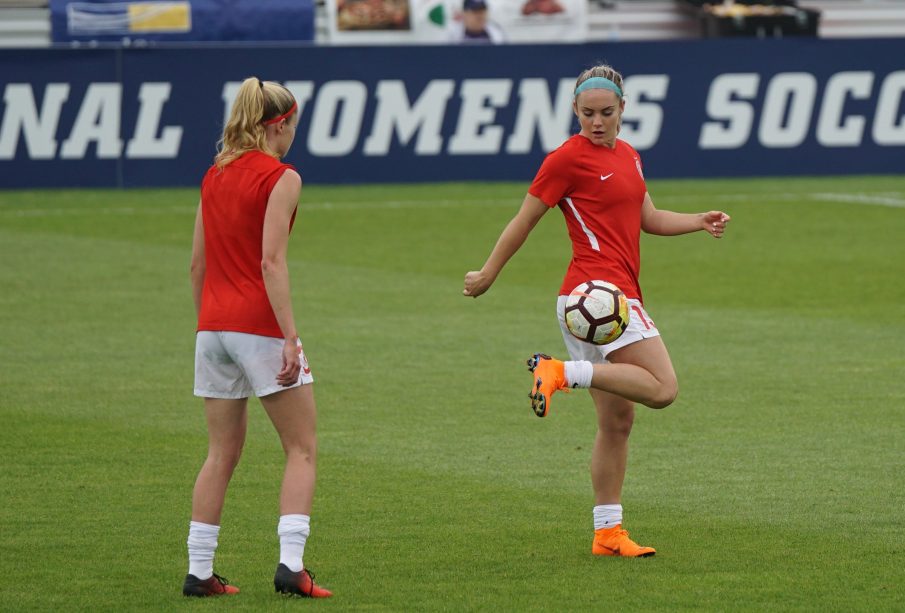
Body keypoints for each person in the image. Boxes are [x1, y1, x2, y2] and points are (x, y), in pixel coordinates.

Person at [463, 64, 730, 558]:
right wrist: (488, 272)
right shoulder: (565, 159)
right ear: (574, 111)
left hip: (599, 301)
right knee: (664, 389)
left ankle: (607, 533)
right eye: (587, 114)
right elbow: (524, 220)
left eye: (607, 113)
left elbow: (647, 217)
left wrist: (698, 220)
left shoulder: (629, 155)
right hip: (599, 297)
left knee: (616, 424)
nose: (597, 122)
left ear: (624, 109)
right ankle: (561, 371)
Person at [183, 77, 332, 598]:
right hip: (259, 326)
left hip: (213, 328)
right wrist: (290, 338)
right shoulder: (281, 177)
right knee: (302, 448)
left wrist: (209, 325)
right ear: (280, 125)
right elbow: (270, 262)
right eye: (293, 125)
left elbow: (197, 264)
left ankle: (199, 572)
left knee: (220, 452)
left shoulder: (213, 174)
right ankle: (292, 566)